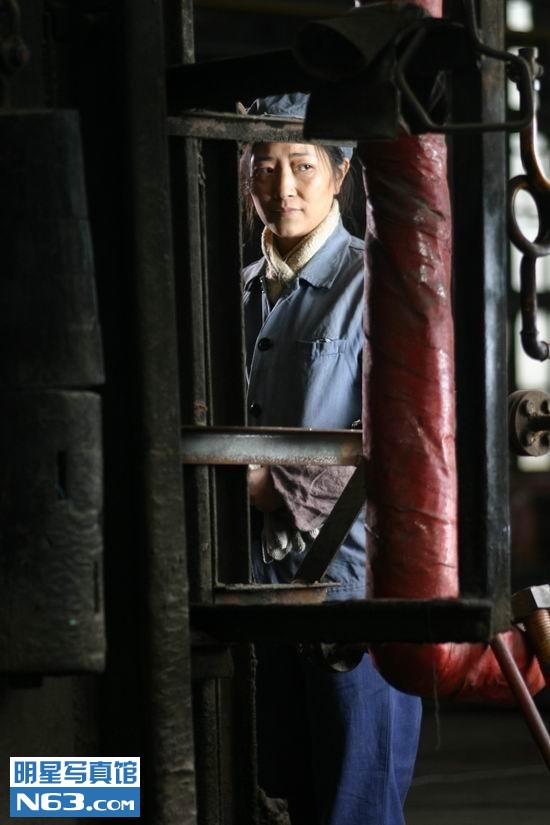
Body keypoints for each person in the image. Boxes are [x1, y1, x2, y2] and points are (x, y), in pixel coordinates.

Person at [241, 93, 422, 825]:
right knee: (276, 799)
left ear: (341, 174)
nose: (282, 186)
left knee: (356, 807)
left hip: (353, 592)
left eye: (303, 166)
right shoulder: (236, 294)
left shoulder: (375, 282)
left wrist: (267, 484)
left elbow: (403, 434)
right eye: (264, 166)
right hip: (257, 596)